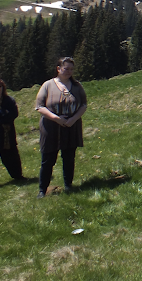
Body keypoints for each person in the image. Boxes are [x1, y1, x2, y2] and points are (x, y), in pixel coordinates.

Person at [35, 57, 87, 198]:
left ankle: (68, 185)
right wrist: (57, 119)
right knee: (48, 159)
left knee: (69, 158)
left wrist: (73, 119)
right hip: (51, 128)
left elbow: (83, 105)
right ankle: (42, 190)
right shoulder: (47, 85)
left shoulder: (77, 86)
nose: (69, 71)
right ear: (58, 69)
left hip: (71, 126)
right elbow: (39, 107)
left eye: (71, 69)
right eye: (66, 68)